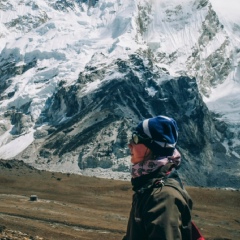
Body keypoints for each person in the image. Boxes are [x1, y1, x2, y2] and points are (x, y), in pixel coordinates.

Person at [123, 115, 194, 240]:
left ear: (153, 146)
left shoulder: (163, 196)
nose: (130, 144)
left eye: (136, 138)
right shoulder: (149, 186)